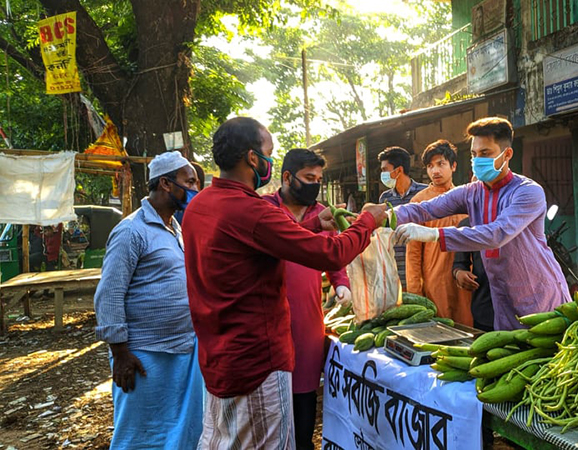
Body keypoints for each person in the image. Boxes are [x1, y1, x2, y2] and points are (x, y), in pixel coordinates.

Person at [182, 117, 386, 449]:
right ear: (252, 158)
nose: (270, 161)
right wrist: (367, 222)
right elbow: (331, 254)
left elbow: (257, 246)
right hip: (257, 360)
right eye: (268, 152)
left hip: (219, 354)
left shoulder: (200, 206)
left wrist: (310, 226)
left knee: (226, 440)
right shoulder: (254, 211)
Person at [393, 117, 570, 330]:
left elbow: (497, 234)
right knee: (506, 355)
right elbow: (425, 208)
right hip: (500, 300)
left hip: (538, 296)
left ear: (507, 155)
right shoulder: (471, 192)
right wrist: (383, 216)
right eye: (474, 154)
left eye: (485, 153)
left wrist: (435, 235)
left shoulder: (527, 191)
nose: (478, 160)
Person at [94, 151, 203, 450]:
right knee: (141, 434)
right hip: (143, 356)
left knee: (180, 431)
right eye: (189, 181)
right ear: (166, 184)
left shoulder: (175, 229)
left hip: (181, 352)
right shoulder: (131, 231)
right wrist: (120, 353)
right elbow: (110, 293)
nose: (195, 189)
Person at [263, 148, 352, 450]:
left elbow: (332, 255)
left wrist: (340, 283)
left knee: (304, 399)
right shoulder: (265, 210)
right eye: (308, 178)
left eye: (319, 179)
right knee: (272, 401)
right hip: (269, 320)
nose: (315, 184)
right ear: (287, 177)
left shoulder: (321, 212)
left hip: (308, 320)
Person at [405, 140, 472, 325]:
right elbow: (413, 253)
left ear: (453, 166)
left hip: (464, 280)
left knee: (467, 330)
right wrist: (415, 292)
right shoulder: (419, 202)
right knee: (438, 332)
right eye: (430, 166)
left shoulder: (466, 198)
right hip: (435, 282)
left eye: (441, 164)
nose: (435, 171)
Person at [378, 146, 426, 290]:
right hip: (395, 265)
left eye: (385, 170)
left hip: (421, 265)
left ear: (398, 170)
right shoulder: (385, 199)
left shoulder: (424, 193)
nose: (383, 174)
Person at [452, 217, 494, 331]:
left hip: (520, 308)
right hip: (485, 308)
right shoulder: (467, 224)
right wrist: (460, 274)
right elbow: (459, 263)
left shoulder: (519, 217)